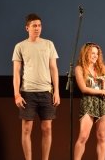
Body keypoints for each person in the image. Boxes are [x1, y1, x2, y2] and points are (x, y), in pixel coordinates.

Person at [12, 13, 60, 160]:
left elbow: (53, 68)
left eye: (39, 25)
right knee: (26, 129)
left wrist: (56, 91)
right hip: (27, 93)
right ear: (27, 28)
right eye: (34, 25)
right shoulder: (20, 46)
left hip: (46, 92)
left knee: (47, 128)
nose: (37, 28)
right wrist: (17, 94)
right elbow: (16, 72)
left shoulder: (48, 44)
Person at [73, 42, 105, 160]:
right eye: (92, 53)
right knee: (83, 136)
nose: (95, 56)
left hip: (102, 103)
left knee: (102, 137)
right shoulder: (79, 68)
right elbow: (84, 88)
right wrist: (103, 92)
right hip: (88, 102)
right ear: (85, 53)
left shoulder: (102, 68)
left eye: (97, 54)